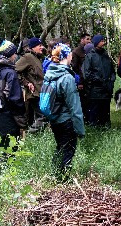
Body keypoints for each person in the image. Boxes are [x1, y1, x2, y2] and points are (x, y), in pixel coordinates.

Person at [45, 43, 85, 180]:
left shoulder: (50, 73)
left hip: (54, 119)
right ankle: (63, 179)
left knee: (60, 148)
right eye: (70, 56)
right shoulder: (67, 78)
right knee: (68, 151)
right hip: (66, 120)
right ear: (67, 56)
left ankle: (55, 174)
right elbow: (75, 107)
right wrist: (80, 129)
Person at [82, 35, 115, 128]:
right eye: (101, 41)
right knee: (94, 111)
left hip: (106, 90)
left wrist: (111, 81)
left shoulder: (106, 55)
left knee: (105, 111)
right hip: (95, 90)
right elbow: (87, 73)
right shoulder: (90, 56)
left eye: (104, 40)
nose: (103, 43)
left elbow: (112, 70)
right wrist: (99, 80)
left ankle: (105, 127)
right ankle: (94, 128)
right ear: (96, 42)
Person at [15, 37, 45, 133]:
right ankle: (31, 134)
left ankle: (33, 134)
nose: (42, 47)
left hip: (40, 92)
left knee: (39, 116)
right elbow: (14, 70)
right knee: (42, 116)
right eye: (39, 45)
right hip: (34, 93)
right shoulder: (27, 57)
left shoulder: (36, 57)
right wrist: (26, 83)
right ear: (33, 47)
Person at [71, 33, 91, 121]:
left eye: (90, 39)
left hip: (89, 80)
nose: (89, 41)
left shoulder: (90, 50)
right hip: (81, 81)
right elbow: (75, 68)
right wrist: (79, 82)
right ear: (82, 40)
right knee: (82, 101)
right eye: (87, 39)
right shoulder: (76, 52)